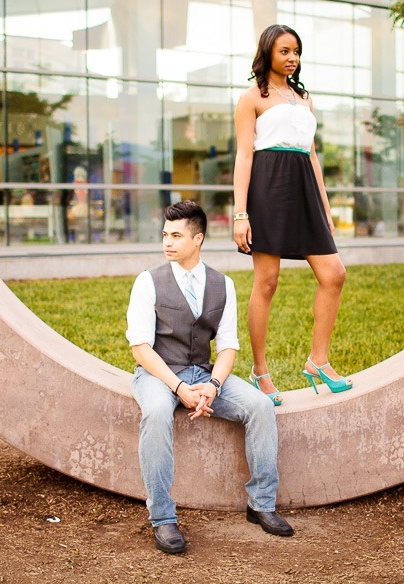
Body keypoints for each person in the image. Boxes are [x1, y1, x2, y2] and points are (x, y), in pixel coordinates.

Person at [126, 200, 294, 554]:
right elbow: (140, 347)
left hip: (204, 373)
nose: (166, 243)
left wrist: (213, 386)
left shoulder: (223, 284)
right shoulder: (148, 281)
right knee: (156, 414)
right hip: (158, 374)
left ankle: (261, 503)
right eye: (164, 235)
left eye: (175, 235)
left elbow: (229, 346)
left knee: (260, 406)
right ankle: (162, 517)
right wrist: (179, 388)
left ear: (197, 239)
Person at [232, 24, 353, 404]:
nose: (292, 58)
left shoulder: (304, 98)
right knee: (266, 283)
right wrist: (240, 213)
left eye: (296, 51)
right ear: (268, 52)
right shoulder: (251, 98)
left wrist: (325, 205)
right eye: (285, 51)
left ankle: (318, 361)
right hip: (269, 191)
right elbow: (245, 155)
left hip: (304, 191)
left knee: (334, 274)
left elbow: (311, 154)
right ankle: (260, 373)